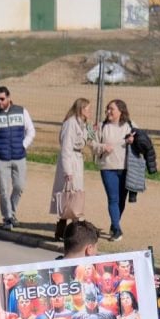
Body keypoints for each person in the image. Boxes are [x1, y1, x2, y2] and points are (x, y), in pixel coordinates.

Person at [0, 85, 34, 230]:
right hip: (1, 158)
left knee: (19, 186)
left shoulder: (21, 111)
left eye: (2, 99)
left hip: (19, 156)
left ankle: (12, 211)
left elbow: (31, 130)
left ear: (9, 98)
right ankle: (7, 217)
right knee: (3, 189)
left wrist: (23, 145)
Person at [50, 97, 93, 242]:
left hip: (78, 160)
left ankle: (68, 230)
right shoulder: (70, 124)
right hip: (71, 161)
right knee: (69, 195)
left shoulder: (84, 124)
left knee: (75, 195)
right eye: (88, 109)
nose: (90, 112)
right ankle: (70, 230)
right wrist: (68, 171)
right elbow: (66, 148)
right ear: (81, 109)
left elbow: (90, 140)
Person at [96, 99, 133, 243]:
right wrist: (102, 147)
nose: (108, 111)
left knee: (121, 200)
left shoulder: (130, 126)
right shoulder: (101, 126)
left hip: (125, 168)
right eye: (107, 109)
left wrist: (133, 140)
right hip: (108, 167)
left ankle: (114, 223)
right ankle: (117, 229)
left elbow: (142, 138)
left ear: (120, 111)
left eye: (112, 109)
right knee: (113, 198)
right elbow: (91, 141)